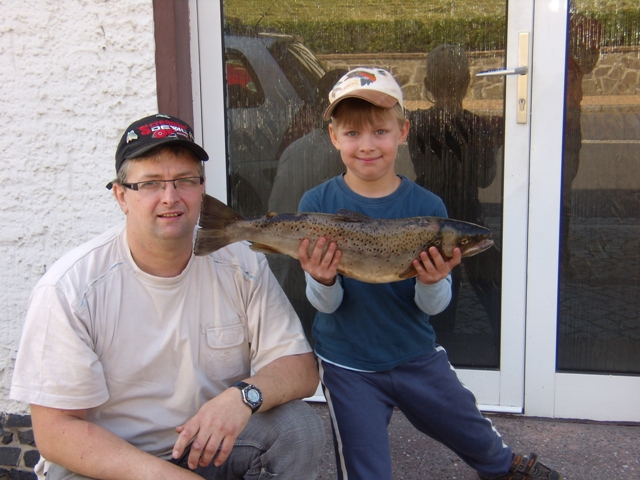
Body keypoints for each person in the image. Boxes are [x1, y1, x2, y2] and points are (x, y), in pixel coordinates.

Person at [10, 114, 325, 480]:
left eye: (185, 181)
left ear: (202, 188)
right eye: (151, 183)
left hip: (204, 449)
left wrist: (242, 397)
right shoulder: (71, 288)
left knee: (297, 428)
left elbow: (300, 369)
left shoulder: (240, 262)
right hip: (111, 461)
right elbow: (54, 432)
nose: (170, 197)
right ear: (120, 195)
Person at [296, 67, 562, 480]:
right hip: (348, 365)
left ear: (402, 132)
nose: (367, 146)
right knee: (365, 471)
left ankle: (505, 469)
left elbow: (433, 307)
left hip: (416, 355)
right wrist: (323, 278)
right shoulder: (317, 203)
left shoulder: (429, 208)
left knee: (476, 436)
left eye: (380, 132)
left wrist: (432, 280)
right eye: (352, 134)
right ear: (333, 137)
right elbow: (325, 306)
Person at [407, 45, 504, 356]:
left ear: (427, 86)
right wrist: (492, 144)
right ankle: (508, 348)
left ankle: (437, 350)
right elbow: (484, 178)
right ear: (467, 83)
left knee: (439, 286)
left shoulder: (417, 124)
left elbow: (423, 165)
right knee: (491, 286)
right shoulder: (478, 126)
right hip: (466, 213)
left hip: (429, 219)